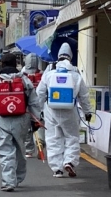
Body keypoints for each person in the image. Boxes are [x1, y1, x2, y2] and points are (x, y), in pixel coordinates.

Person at [0, 53, 41, 192]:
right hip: (21, 119)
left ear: (2, 65)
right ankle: (18, 177)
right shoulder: (24, 81)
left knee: (5, 151)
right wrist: (36, 120)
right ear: (16, 64)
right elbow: (34, 102)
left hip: (2, 119)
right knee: (20, 149)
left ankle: (8, 181)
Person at [36, 43, 93, 178]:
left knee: (53, 139)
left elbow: (40, 94)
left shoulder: (49, 73)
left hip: (51, 111)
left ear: (59, 56)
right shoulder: (76, 74)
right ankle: (70, 162)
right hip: (70, 111)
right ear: (70, 57)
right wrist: (88, 112)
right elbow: (84, 96)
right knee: (72, 137)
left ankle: (57, 169)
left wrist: (37, 112)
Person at [21, 53, 42, 158]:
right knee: (39, 127)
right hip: (40, 106)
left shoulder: (23, 75)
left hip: (25, 106)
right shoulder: (42, 74)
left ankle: (29, 150)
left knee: (27, 128)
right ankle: (40, 146)